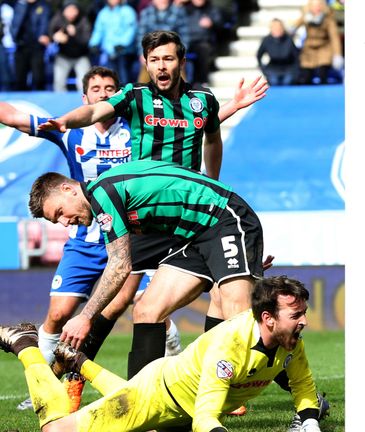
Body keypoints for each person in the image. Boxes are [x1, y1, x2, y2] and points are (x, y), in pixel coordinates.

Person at [0, 65, 268, 412]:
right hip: (138, 222)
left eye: (108, 87)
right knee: (125, 307)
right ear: (85, 96)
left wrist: (230, 105)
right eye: (96, 88)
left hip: (170, 220)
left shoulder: (130, 125)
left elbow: (188, 124)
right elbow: (18, 118)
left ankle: (292, 395)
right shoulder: (71, 131)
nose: (63, 221)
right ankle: (135, 397)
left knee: (232, 309)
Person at [0, 275, 326, 432]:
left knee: (132, 405)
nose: (305, 322)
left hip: (175, 402)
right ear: (268, 319)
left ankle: (79, 363)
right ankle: (25, 345)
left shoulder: (289, 342)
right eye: (296, 316)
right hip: (156, 396)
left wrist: (310, 423)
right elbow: (206, 418)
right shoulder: (229, 346)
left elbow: (304, 388)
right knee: (55, 431)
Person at [89, 0, 137, 86]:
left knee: (124, 78)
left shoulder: (128, 11)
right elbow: (98, 30)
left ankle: (127, 96)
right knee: (108, 78)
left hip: (124, 52)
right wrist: (93, 43)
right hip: (107, 52)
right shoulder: (103, 13)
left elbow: (131, 30)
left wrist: (123, 44)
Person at [294, 0, 342, 85]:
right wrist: (292, 27)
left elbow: (334, 37)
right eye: (314, 6)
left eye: (319, 5)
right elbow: (294, 25)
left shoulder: (328, 18)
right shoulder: (306, 17)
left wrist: (337, 54)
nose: (317, 8)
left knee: (323, 74)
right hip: (309, 49)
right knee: (306, 77)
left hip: (324, 48)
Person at [49, 0, 91, 92]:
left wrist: (75, 34)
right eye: (69, 10)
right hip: (63, 56)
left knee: (84, 83)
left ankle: (85, 104)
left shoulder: (83, 20)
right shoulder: (58, 18)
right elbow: (50, 34)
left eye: (74, 10)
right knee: (59, 83)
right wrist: (55, 37)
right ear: (64, 10)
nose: (71, 13)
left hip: (81, 56)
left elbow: (87, 41)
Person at [11, 0, 51, 90]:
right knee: (19, 78)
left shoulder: (43, 6)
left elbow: (44, 23)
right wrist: (14, 37)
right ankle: (20, 101)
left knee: (38, 78)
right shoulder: (20, 5)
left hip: (37, 47)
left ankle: (40, 101)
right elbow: (14, 23)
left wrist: (43, 35)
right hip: (21, 46)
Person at [257, 18, 300, 86]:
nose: (277, 29)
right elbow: (259, 55)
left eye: (279, 27)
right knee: (274, 81)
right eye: (275, 27)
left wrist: (295, 71)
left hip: (288, 68)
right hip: (272, 68)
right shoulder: (266, 40)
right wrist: (263, 68)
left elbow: (296, 57)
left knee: (288, 82)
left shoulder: (288, 39)